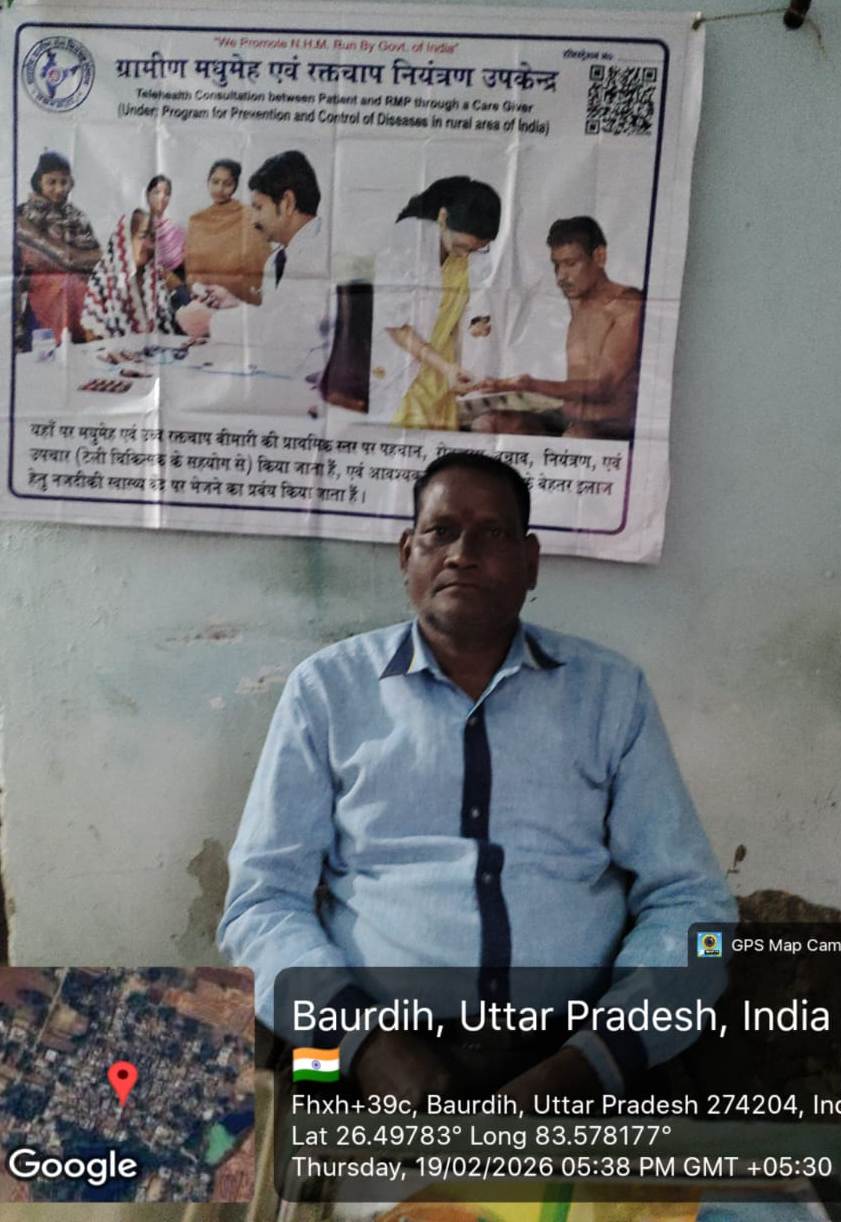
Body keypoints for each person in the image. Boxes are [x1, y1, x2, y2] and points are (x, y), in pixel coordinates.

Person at [218, 452, 736, 1109]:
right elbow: (262, 904)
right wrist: (362, 1043)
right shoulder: (326, 691)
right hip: (367, 1058)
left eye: (491, 533)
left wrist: (599, 1057)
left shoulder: (610, 694)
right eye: (440, 532)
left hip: (573, 1059)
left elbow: (691, 904)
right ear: (406, 554)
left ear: (530, 563)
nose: (462, 554)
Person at [477, 216, 642, 440]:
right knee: (487, 422)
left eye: (571, 264)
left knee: (576, 436)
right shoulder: (579, 298)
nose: (561, 277)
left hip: (608, 429)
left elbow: (603, 387)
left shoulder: (627, 307)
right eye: (557, 265)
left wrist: (529, 384)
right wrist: (502, 384)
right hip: (569, 417)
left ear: (599, 257)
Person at [176, 150, 330, 385]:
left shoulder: (324, 253)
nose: (253, 220)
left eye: (258, 207)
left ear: (287, 203)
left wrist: (213, 322)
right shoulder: (276, 260)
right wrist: (235, 304)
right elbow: (275, 319)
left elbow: (295, 332)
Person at [369, 177, 501, 430]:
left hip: (441, 374)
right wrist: (445, 368)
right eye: (461, 246)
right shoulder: (406, 242)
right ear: (442, 217)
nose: (465, 255)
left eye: (476, 249)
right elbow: (394, 325)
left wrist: (476, 326)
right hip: (401, 367)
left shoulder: (467, 252)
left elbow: (459, 309)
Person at [15, 150, 101, 347]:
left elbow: (96, 257)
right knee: (64, 285)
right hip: (39, 287)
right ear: (39, 182)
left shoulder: (77, 216)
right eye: (51, 182)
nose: (59, 189)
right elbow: (28, 259)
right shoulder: (24, 214)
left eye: (64, 182)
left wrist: (73, 261)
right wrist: (68, 259)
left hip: (78, 285)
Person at [183, 158, 270, 306]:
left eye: (227, 184)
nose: (219, 189)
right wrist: (199, 289)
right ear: (208, 182)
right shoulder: (197, 220)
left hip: (240, 301)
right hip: (204, 299)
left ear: (235, 186)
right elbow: (192, 269)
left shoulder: (249, 216)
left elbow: (260, 261)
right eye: (215, 182)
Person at [80, 209, 176, 340]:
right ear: (125, 238)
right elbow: (90, 330)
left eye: (152, 237)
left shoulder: (158, 275)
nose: (149, 245)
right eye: (142, 236)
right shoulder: (103, 275)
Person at [146, 173, 186, 280]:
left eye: (167, 194)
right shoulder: (138, 227)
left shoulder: (177, 231)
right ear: (148, 194)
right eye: (157, 192)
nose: (162, 197)